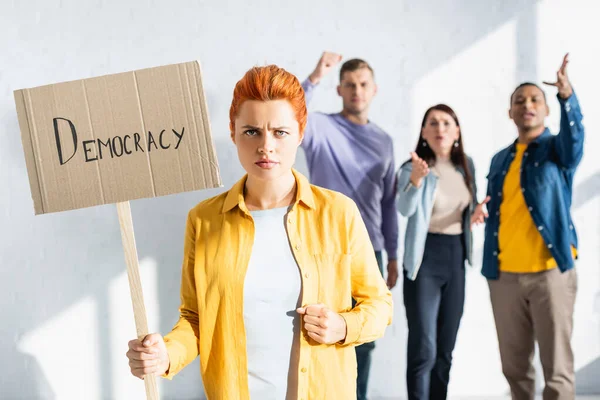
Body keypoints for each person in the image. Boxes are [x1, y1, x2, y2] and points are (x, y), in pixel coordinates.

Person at [125, 64, 393, 399]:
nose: (266, 146)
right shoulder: (204, 220)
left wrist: (342, 326)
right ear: (233, 132)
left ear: (300, 133)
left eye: (280, 132)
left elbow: (379, 306)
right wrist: (164, 354)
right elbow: (196, 319)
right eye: (252, 131)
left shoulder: (338, 213)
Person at [483, 53, 583, 400]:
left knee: (556, 369)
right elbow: (500, 208)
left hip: (549, 274)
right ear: (510, 112)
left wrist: (567, 95)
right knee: (515, 369)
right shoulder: (500, 159)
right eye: (519, 101)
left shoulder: (558, 151)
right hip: (504, 276)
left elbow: (575, 141)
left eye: (534, 99)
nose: (527, 104)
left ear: (546, 109)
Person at [300, 52, 399, 399]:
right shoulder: (320, 127)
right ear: (339, 90)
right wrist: (315, 77)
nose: (357, 90)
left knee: (363, 336)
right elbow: (291, 113)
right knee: (318, 334)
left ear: (374, 90)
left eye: (363, 84)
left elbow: (388, 203)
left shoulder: (384, 141)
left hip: (368, 250)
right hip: (320, 248)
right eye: (349, 85)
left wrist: (392, 255)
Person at [396, 104, 488, 399]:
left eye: (446, 123)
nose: (440, 129)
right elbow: (404, 208)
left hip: (456, 258)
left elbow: (464, 207)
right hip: (424, 260)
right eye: (433, 123)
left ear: (457, 131)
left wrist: (474, 214)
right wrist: (416, 181)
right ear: (423, 132)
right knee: (424, 348)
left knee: (445, 350)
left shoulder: (466, 165)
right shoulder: (413, 167)